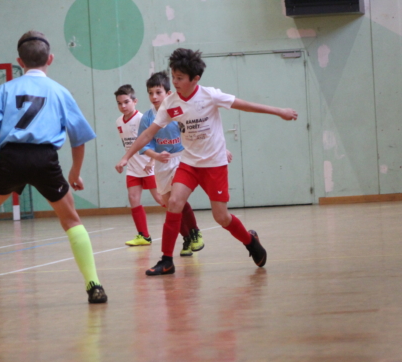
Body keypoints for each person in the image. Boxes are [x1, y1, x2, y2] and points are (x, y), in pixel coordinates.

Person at [0, 31, 107, 304]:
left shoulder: (3, 91)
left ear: (19, 61)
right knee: (71, 220)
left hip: (11, 159)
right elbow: (79, 139)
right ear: (50, 59)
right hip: (45, 160)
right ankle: (94, 285)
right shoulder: (60, 92)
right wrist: (75, 172)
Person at [115, 48, 298, 276]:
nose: (175, 82)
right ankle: (167, 260)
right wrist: (126, 157)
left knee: (221, 217)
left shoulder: (210, 95)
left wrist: (279, 111)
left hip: (214, 165)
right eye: (173, 77)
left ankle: (250, 240)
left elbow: (244, 104)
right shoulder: (170, 103)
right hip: (189, 164)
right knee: (174, 203)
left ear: (195, 79)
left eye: (180, 78)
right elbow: (148, 134)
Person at [137, 71, 206, 257]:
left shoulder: (178, 112)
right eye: (150, 93)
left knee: (178, 199)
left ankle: (195, 232)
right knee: (170, 205)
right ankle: (187, 238)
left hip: (181, 158)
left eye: (158, 92)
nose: (154, 96)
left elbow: (198, 132)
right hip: (162, 163)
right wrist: (155, 156)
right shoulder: (147, 118)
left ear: (168, 93)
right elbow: (143, 145)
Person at [114, 84, 163, 246]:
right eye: (119, 103)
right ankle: (144, 236)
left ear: (135, 101)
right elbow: (129, 146)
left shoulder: (143, 119)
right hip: (133, 168)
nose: (123, 106)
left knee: (160, 198)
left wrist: (152, 161)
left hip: (149, 167)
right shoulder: (119, 122)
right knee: (133, 198)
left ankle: (186, 225)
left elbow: (156, 140)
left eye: (126, 102)